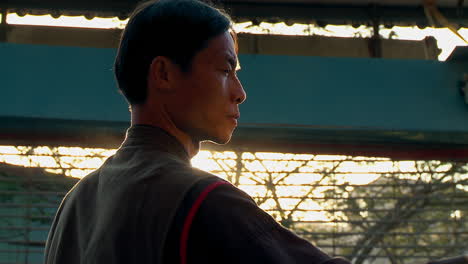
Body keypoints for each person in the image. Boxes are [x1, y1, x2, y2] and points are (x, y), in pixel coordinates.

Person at [44, 0, 351, 263]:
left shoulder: (73, 205)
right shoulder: (202, 199)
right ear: (164, 74)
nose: (239, 92)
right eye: (225, 70)